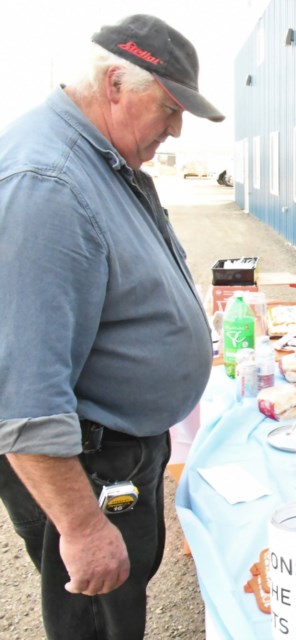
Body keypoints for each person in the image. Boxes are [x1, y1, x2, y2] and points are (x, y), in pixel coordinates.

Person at [0, 14, 223, 639]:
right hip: (89, 466)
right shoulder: (48, 184)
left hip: (118, 453)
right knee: (97, 617)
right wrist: (81, 527)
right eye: (171, 107)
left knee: (123, 602)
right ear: (115, 83)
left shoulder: (104, 159)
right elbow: (24, 392)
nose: (177, 129)